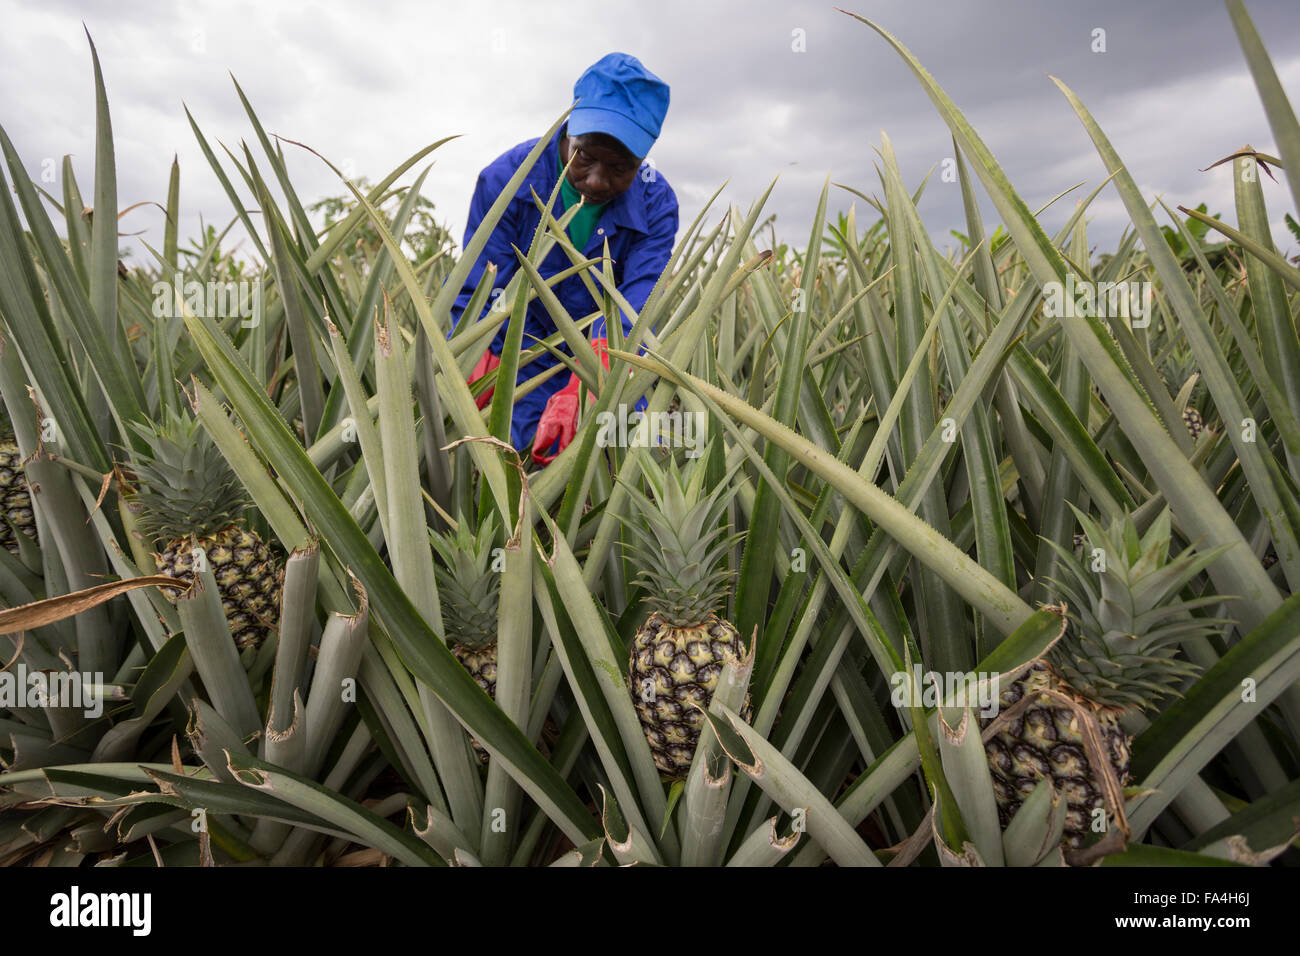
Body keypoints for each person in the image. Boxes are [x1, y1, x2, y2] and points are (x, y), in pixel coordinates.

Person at [447, 52, 677, 464]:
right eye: (584, 156)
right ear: (569, 129)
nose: (595, 180)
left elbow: (637, 303)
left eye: (619, 168)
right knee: (508, 460)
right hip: (515, 356)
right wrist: (473, 353)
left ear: (643, 159)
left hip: (606, 356)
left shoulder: (657, 204)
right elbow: (482, 282)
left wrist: (598, 377)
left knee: (617, 456)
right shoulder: (506, 179)